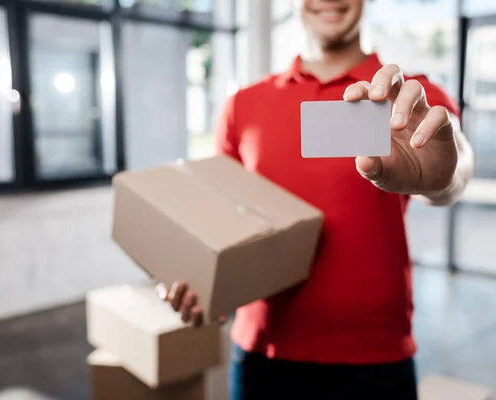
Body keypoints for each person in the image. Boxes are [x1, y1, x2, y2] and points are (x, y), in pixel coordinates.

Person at [160, 0, 474, 398]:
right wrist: (205, 281)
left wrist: (442, 177)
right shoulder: (244, 104)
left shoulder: (410, 99)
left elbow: (458, 166)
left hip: (376, 357)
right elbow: (222, 219)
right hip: (264, 352)